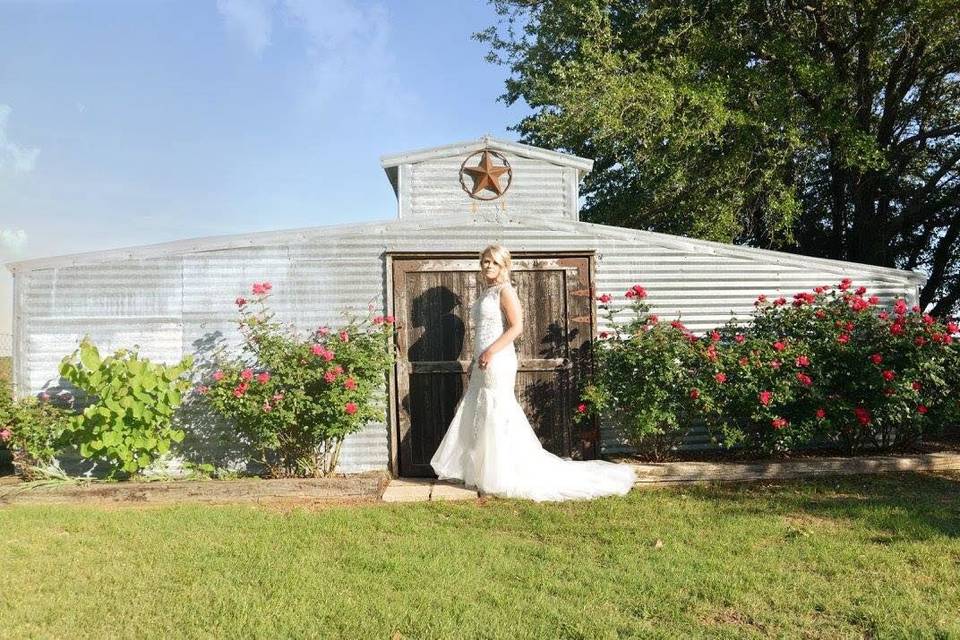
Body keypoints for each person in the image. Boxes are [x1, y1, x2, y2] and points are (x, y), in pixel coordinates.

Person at [430, 244, 636, 501]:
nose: (488, 266)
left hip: (497, 358)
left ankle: (503, 473)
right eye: (485, 262)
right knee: (481, 409)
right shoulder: (486, 292)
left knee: (498, 409)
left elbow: (517, 327)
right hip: (483, 358)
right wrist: (477, 358)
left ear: (504, 265)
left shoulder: (505, 291)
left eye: (493, 262)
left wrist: (491, 351)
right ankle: (485, 472)